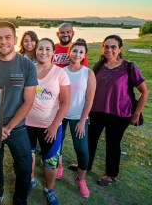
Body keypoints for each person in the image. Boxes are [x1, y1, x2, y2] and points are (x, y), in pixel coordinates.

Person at [0, 22, 38, 205]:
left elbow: (28, 101)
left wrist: (8, 127)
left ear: (14, 39)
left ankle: (20, 200)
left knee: (24, 166)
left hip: (17, 127)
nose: (3, 42)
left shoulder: (27, 65)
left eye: (7, 37)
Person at [88, 35, 148, 186]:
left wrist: (137, 113)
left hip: (120, 113)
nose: (109, 49)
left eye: (113, 47)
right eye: (106, 46)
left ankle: (111, 175)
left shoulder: (129, 67)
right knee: (90, 140)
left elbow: (144, 92)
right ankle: (85, 165)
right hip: (97, 111)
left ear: (120, 49)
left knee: (112, 143)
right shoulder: (98, 67)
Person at [25, 38, 70, 205]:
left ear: (53, 52)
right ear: (36, 50)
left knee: (50, 162)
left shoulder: (60, 73)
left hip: (50, 126)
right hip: (27, 125)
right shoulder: (29, 70)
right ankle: (30, 181)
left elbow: (65, 102)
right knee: (28, 156)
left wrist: (53, 126)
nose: (43, 52)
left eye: (47, 49)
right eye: (41, 48)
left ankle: (48, 190)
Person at [58, 39, 96, 198]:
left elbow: (89, 99)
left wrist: (82, 120)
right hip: (60, 114)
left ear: (84, 55)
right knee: (56, 143)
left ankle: (81, 179)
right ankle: (58, 166)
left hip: (77, 116)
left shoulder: (88, 73)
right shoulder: (61, 71)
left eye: (81, 52)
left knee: (82, 148)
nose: (77, 54)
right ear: (69, 52)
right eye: (74, 51)